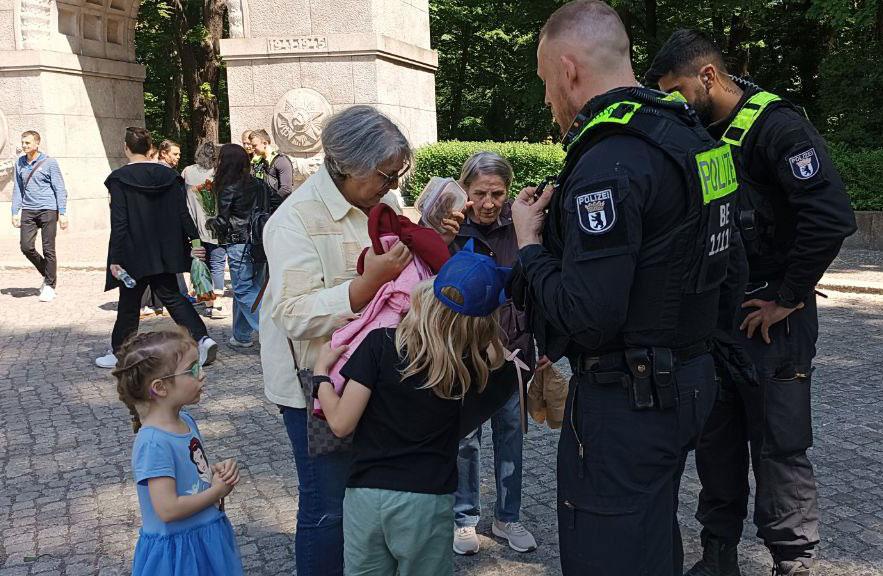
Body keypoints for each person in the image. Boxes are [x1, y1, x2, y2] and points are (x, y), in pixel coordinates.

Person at [509, 2, 744, 574]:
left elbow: (588, 316)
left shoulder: (609, 159)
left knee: (609, 552)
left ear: (567, 70)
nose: (547, 100)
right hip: (690, 379)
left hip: (628, 400)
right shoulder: (696, 136)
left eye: (545, 83)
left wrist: (531, 247)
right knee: (651, 533)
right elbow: (729, 265)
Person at [645, 30, 857, 576]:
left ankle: (795, 562)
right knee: (716, 445)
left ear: (708, 76)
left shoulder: (778, 127)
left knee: (778, 447)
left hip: (772, 324)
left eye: (676, 90)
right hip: (718, 322)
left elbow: (830, 216)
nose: (671, 102)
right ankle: (718, 555)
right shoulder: (701, 134)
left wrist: (787, 297)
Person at [260, 105, 464, 576]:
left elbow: (402, 280)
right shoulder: (293, 220)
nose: (392, 187)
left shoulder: (383, 206)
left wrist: (429, 239)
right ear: (347, 164)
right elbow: (291, 314)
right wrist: (364, 286)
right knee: (328, 506)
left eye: (398, 176)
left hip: (374, 381)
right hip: (315, 386)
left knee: (362, 496)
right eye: (385, 176)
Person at [314, 248, 526, 576]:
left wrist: (320, 377)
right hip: (427, 503)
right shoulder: (474, 369)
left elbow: (340, 424)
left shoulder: (380, 344)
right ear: (484, 323)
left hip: (366, 497)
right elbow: (499, 358)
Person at [449, 152, 538, 556]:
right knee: (465, 440)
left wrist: (545, 343)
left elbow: (537, 287)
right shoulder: (449, 228)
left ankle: (508, 517)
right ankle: (464, 518)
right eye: (480, 193)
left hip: (512, 354)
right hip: (463, 356)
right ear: (465, 190)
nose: (488, 203)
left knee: (511, 438)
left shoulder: (519, 226)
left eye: (497, 193)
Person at [112, 328, 244, 575]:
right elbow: (168, 509)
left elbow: (189, 475)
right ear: (160, 388)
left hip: (203, 538)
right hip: (179, 556)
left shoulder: (185, 420)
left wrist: (214, 474)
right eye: (193, 369)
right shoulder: (153, 442)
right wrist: (217, 490)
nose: (202, 375)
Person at [95, 127, 218, 369]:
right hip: (165, 250)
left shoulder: (119, 180)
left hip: (134, 251)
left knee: (129, 304)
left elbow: (119, 223)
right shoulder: (170, 177)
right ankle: (203, 338)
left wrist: (115, 257)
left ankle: (120, 351)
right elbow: (183, 215)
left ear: (126, 148)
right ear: (151, 150)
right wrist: (194, 242)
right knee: (173, 297)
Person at [208, 144, 263, 348]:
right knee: (251, 288)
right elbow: (277, 201)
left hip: (239, 244)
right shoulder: (258, 183)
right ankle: (241, 335)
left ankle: (271, 329)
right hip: (260, 242)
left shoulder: (227, 187)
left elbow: (223, 221)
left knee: (243, 290)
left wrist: (210, 223)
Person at [11, 130, 68, 302]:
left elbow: (60, 188)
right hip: (28, 210)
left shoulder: (49, 162)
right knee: (26, 247)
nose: (24, 146)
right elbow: (18, 189)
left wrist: (63, 212)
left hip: (48, 210)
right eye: (23, 142)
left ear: (37, 144)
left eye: (27, 143)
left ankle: (50, 285)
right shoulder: (19, 163)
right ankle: (48, 273)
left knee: (48, 248)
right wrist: (15, 211)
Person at [183, 141, 228, 320]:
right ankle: (217, 304)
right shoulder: (218, 174)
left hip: (194, 227)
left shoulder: (187, 171)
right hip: (215, 227)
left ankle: (207, 301)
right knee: (217, 264)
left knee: (202, 263)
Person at [249, 129, 293, 212]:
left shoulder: (281, 160)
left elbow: (286, 189)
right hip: (261, 211)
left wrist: (267, 203)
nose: (252, 149)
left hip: (279, 211)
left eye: (254, 145)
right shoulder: (257, 162)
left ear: (265, 143)